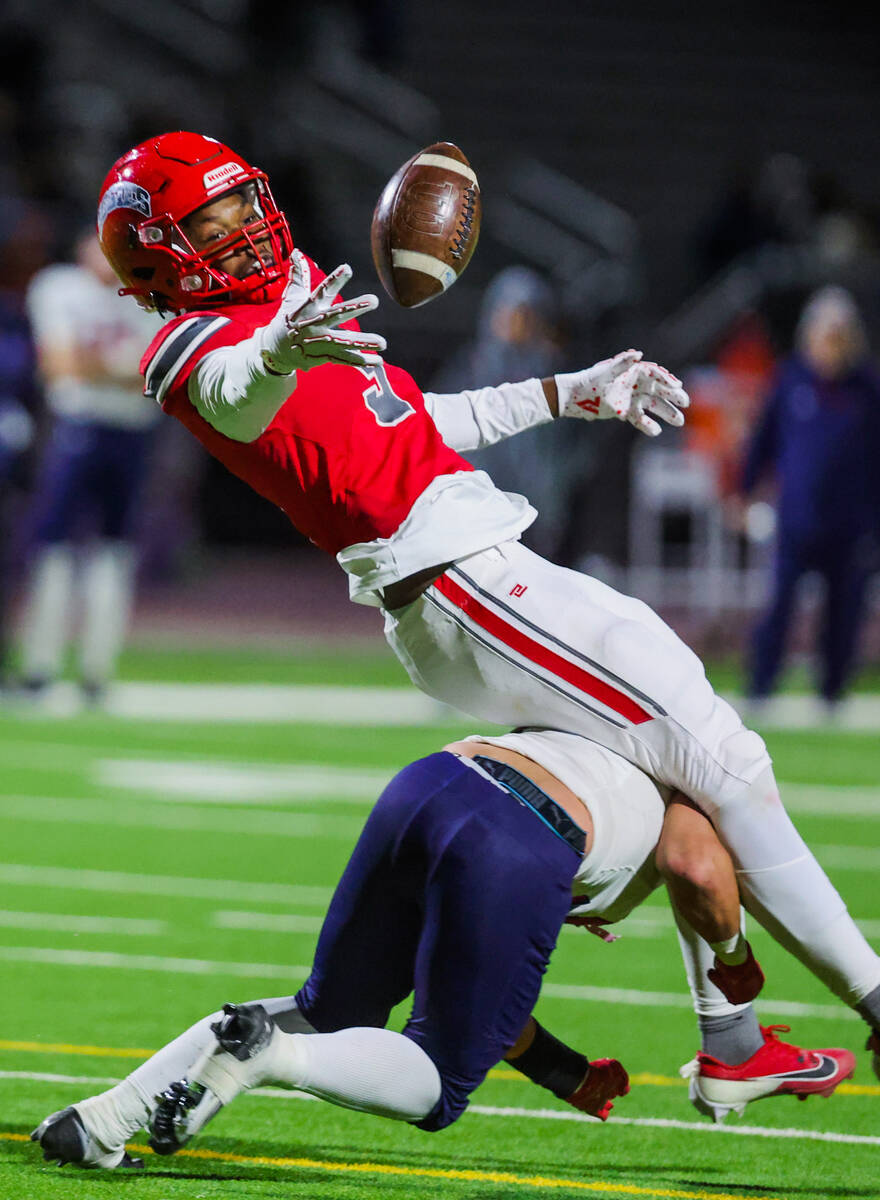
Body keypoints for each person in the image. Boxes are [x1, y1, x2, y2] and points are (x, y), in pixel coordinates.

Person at [95, 132, 880, 1069]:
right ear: (161, 250)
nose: (246, 228)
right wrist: (273, 353)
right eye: (212, 220)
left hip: (474, 564)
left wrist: (566, 392)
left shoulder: (289, 295)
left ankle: (733, 1041)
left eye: (242, 202)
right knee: (721, 753)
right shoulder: (189, 345)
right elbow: (236, 394)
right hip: (454, 580)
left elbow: (411, 419)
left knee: (688, 780)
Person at [31, 728, 855, 1170]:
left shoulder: (615, 729)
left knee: (336, 1011)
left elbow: (467, 975)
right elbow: (693, 864)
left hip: (431, 783)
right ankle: (265, 1058)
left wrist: (560, 1070)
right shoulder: (701, 783)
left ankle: (101, 1117)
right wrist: (738, 959)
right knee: (438, 1084)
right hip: (524, 833)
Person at [16, 227, 161, 704]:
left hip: (131, 434)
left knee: (114, 550)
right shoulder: (58, 287)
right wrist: (119, 368)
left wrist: (97, 364)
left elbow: (155, 376)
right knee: (52, 544)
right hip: (77, 427)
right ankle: (41, 663)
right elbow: (59, 365)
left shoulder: (151, 295)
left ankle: (98, 667)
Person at [739, 286, 880, 709]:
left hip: (853, 522)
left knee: (845, 611)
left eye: (839, 335)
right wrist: (744, 492)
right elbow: (762, 441)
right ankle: (761, 687)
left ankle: (833, 690)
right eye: (825, 334)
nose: (832, 344)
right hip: (797, 518)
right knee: (779, 604)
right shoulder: (790, 380)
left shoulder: (868, 389)